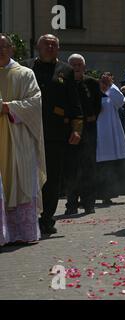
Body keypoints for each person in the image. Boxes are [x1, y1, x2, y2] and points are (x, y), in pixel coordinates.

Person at [21, 34, 83, 235]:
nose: (50, 47)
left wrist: (76, 129)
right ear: (38, 47)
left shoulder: (66, 70)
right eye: (46, 44)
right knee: (27, 176)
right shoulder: (26, 68)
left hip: (55, 134)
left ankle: (47, 218)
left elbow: (75, 104)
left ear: (58, 48)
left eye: (53, 45)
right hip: (27, 132)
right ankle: (25, 217)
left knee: (52, 178)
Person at [0, 34, 46, 245]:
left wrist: (8, 107)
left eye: (3, 46)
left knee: (21, 181)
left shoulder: (25, 74)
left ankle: (21, 233)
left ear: (11, 49)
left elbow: (35, 103)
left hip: (19, 138)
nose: (0, 50)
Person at [64, 54, 102, 215]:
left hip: (88, 129)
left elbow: (97, 104)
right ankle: (71, 203)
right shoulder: (64, 82)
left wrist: (91, 116)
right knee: (71, 167)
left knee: (88, 167)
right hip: (69, 130)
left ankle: (89, 203)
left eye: (79, 64)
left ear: (84, 66)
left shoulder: (91, 83)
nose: (76, 67)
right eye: (73, 64)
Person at [95, 72, 125, 204]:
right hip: (98, 132)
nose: (104, 84)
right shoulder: (94, 92)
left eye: (107, 81)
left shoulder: (112, 93)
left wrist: (110, 86)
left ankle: (108, 195)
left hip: (111, 134)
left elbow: (121, 102)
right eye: (102, 81)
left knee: (111, 165)